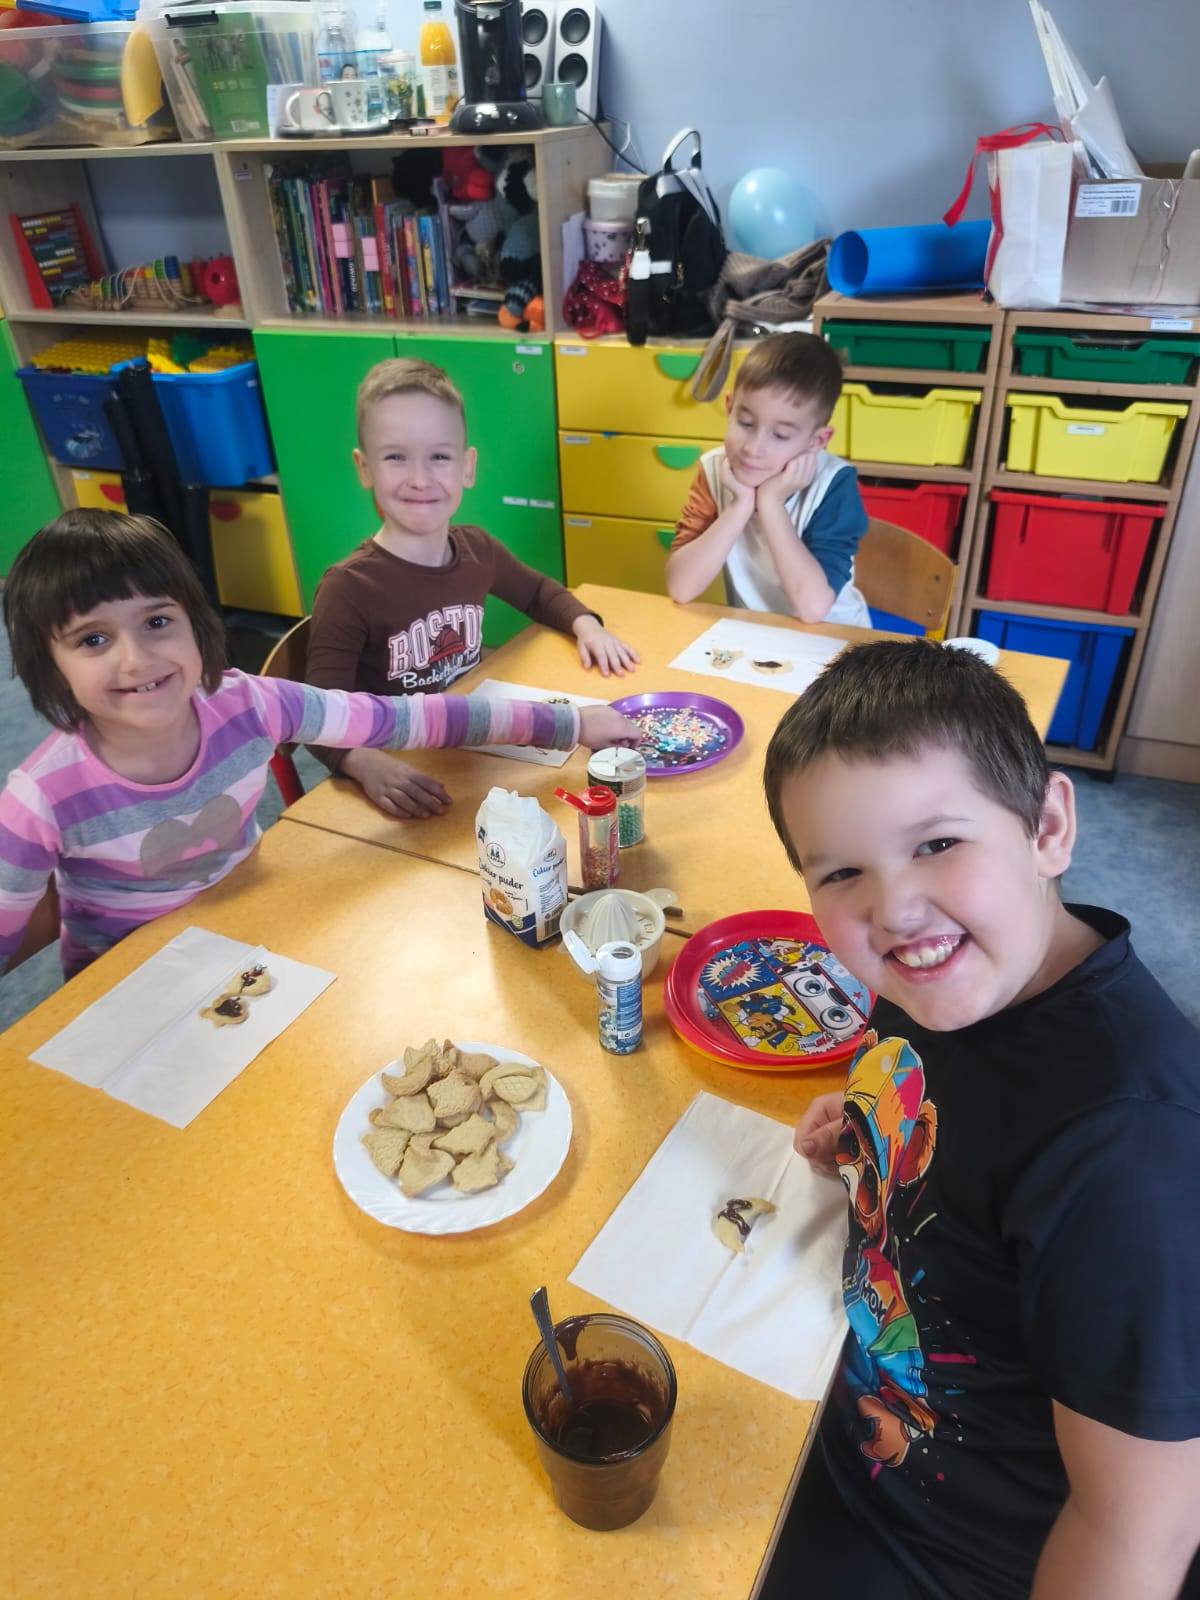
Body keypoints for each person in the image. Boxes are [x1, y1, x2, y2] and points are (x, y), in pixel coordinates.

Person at [759, 639, 1200, 1600]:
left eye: (937, 845)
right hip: (855, 1414)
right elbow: (956, 1111)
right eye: (841, 873)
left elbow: (1136, 1538)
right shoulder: (954, 978)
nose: (894, 912)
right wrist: (868, 1131)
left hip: (953, 1551)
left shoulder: (1128, 1158)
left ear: (1048, 827)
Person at [0, 510, 636, 978]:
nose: (136, 659)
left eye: (158, 622)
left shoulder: (251, 703)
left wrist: (571, 725)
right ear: (46, 663)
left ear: (196, 623)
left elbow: (413, 719)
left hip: (250, 934)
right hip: (126, 985)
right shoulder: (38, 797)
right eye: (93, 640)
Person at [306, 357, 639, 820]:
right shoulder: (348, 588)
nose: (420, 479)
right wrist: (360, 762)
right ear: (365, 468)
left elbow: (538, 593)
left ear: (467, 466)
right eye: (395, 456)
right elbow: (318, 715)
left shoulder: (477, 549)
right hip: (402, 769)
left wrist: (587, 625)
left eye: (439, 457)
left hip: (471, 746)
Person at [665, 331, 869, 628]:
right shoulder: (714, 470)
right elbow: (681, 587)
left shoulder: (834, 483)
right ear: (730, 407)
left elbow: (813, 608)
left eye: (780, 435)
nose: (753, 448)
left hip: (834, 636)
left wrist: (771, 503)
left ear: (817, 441)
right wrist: (740, 506)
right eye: (746, 422)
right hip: (757, 634)